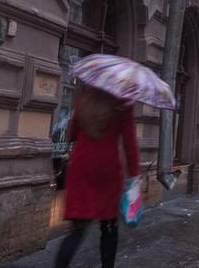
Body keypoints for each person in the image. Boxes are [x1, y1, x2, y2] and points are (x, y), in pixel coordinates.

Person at [55, 85, 140, 268]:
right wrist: (134, 176)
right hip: (106, 170)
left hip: (81, 166)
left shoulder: (84, 100)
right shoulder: (123, 104)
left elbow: (72, 133)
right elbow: (129, 143)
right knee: (109, 226)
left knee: (77, 229)